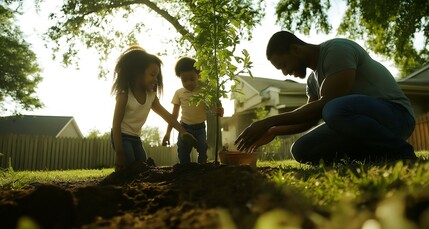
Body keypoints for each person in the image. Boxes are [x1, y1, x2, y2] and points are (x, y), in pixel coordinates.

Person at [235, 31, 416, 164]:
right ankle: (372, 157)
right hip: (361, 127)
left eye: (284, 64)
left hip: (396, 117)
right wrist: (273, 130)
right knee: (301, 149)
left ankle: (401, 152)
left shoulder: (337, 50)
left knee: (333, 109)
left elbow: (328, 102)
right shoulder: (312, 81)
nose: (286, 72)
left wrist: (267, 121)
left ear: (295, 49)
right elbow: (308, 120)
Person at [111, 46, 195, 171]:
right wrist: (119, 152)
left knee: (143, 166)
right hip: (121, 137)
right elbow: (116, 124)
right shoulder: (124, 94)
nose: (155, 79)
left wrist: (182, 131)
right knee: (129, 167)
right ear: (137, 73)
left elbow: (167, 116)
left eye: (157, 76)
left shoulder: (151, 96)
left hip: (136, 138)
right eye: (152, 75)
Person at [162, 57, 224, 164]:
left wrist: (218, 110)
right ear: (180, 79)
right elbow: (174, 116)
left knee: (203, 149)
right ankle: (185, 171)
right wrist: (168, 133)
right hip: (184, 127)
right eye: (184, 80)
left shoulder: (203, 91)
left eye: (192, 79)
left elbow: (210, 107)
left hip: (200, 128)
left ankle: (201, 170)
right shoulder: (179, 93)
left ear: (199, 76)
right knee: (183, 151)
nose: (188, 83)